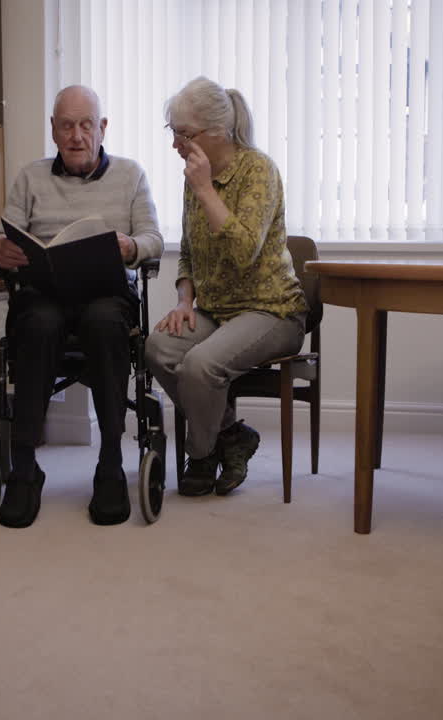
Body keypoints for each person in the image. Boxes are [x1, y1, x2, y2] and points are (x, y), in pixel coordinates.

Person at [0, 85, 163, 528]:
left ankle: (109, 461)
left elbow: (154, 240)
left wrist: (130, 247)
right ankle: (25, 465)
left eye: (87, 124)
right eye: (67, 125)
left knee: (105, 321)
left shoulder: (131, 175)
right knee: (38, 324)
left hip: (106, 293)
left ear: (102, 128)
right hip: (44, 295)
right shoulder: (30, 177)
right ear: (53, 130)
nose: (77, 135)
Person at [145, 76, 307, 498]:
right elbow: (188, 255)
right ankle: (232, 434)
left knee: (201, 365)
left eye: (184, 134)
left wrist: (205, 190)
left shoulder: (258, 170)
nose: (176, 145)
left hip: (273, 311)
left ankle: (201, 456)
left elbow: (244, 252)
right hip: (218, 311)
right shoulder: (192, 179)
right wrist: (184, 301)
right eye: (173, 132)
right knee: (157, 348)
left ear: (217, 131)